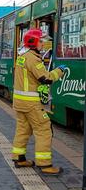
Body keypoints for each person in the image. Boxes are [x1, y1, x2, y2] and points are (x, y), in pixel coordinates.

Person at [11, 28, 66, 175]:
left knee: (23, 130)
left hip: (19, 102)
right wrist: (60, 71)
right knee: (44, 130)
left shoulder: (22, 56)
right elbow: (45, 78)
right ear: (34, 42)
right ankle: (45, 165)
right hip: (31, 103)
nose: (43, 44)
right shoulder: (33, 58)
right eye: (41, 41)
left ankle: (19, 158)